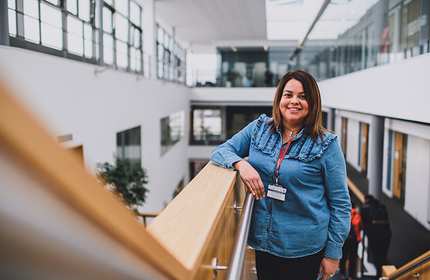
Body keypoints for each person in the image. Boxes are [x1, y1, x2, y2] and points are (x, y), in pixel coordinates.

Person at [211, 70, 351, 280]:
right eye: (288, 95)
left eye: (302, 97)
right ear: (279, 99)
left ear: (313, 103)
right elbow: (220, 151)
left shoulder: (327, 144)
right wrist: (241, 164)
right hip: (264, 242)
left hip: (305, 249)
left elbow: (341, 204)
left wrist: (333, 254)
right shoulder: (259, 129)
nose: (294, 101)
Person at [361, 195, 391, 277]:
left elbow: (364, 223)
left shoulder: (364, 209)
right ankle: (383, 272)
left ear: (366, 200)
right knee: (383, 254)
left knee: (376, 254)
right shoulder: (382, 207)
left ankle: (379, 273)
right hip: (386, 233)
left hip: (374, 234)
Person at [340, 204, 362, 279]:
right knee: (353, 258)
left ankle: (342, 273)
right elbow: (359, 226)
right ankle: (351, 276)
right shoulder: (357, 214)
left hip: (345, 239)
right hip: (354, 240)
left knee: (343, 256)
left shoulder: (344, 213)